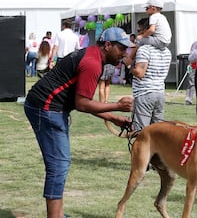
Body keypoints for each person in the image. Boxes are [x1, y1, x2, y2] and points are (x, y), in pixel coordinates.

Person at [24, 27, 134, 218]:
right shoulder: (92, 63)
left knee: (60, 162)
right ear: (107, 45)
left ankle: (58, 214)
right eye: (121, 48)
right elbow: (82, 104)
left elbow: (82, 102)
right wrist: (117, 106)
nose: (125, 53)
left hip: (46, 106)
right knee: (58, 164)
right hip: (46, 108)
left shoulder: (92, 56)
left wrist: (113, 117)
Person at [129, 17, 172, 131]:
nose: (138, 34)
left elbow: (139, 73)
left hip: (145, 93)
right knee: (157, 133)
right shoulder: (167, 51)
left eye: (139, 31)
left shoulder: (144, 49)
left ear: (146, 31)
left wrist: (129, 65)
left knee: (141, 132)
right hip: (160, 92)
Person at [185, 28, 197, 105]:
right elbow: (191, 55)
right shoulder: (195, 44)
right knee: (191, 83)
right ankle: (189, 99)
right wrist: (190, 64)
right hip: (194, 65)